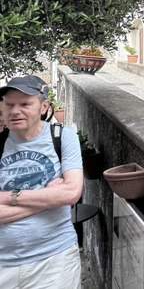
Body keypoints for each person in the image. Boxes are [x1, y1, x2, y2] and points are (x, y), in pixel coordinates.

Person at [0, 76, 83, 288]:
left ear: (44, 106)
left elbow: (71, 193)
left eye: (25, 104)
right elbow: (62, 196)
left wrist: (10, 196)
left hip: (55, 260)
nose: (15, 110)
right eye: (9, 104)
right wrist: (49, 198)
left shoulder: (63, 136)